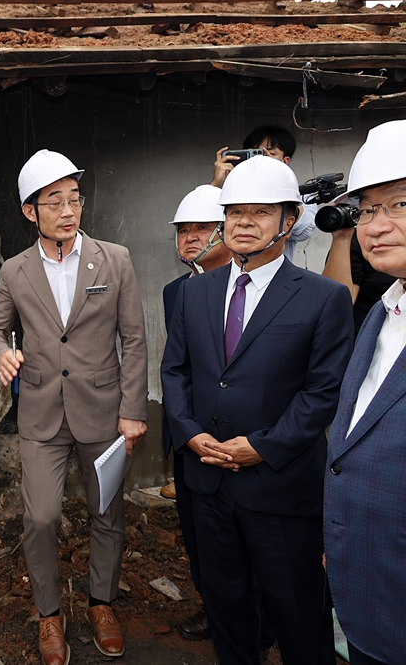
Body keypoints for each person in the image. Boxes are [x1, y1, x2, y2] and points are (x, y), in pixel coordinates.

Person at [161, 154, 353, 665]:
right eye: (234, 211)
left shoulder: (322, 299)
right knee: (227, 608)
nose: (243, 223)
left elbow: (321, 393)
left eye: (260, 212)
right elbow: (175, 371)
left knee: (297, 613)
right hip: (208, 483)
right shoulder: (193, 293)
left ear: (289, 222)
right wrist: (188, 432)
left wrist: (261, 447)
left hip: (280, 489)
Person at [0, 149, 148, 663]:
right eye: (54, 201)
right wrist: (3, 354)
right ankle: (49, 616)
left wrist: (134, 409)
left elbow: (135, 339)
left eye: (74, 199)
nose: (69, 210)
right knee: (40, 517)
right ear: (30, 211)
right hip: (40, 412)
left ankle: (102, 604)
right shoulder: (15, 271)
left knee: (107, 512)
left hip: (103, 411)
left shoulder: (114, 258)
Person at [324, 119, 406, 665]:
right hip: (367, 589)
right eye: (368, 210)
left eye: (398, 204)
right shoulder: (381, 314)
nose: (377, 225)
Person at [160, 184, 232, 642]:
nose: (190, 237)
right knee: (198, 536)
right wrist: (184, 431)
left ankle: (256, 621)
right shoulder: (174, 292)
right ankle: (215, 611)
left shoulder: (251, 288)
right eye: (183, 229)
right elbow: (176, 367)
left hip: (238, 442)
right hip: (189, 440)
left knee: (241, 538)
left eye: (202, 227)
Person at [211, 124, 317, 260]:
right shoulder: (227, 193)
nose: (260, 160)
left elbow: (305, 229)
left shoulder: (296, 195)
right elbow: (203, 228)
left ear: (285, 161)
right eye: (255, 153)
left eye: (269, 154)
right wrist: (215, 184)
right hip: (226, 276)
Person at [321, 228, 395, 335]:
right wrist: (342, 239)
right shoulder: (362, 239)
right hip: (365, 340)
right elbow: (336, 305)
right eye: (367, 212)